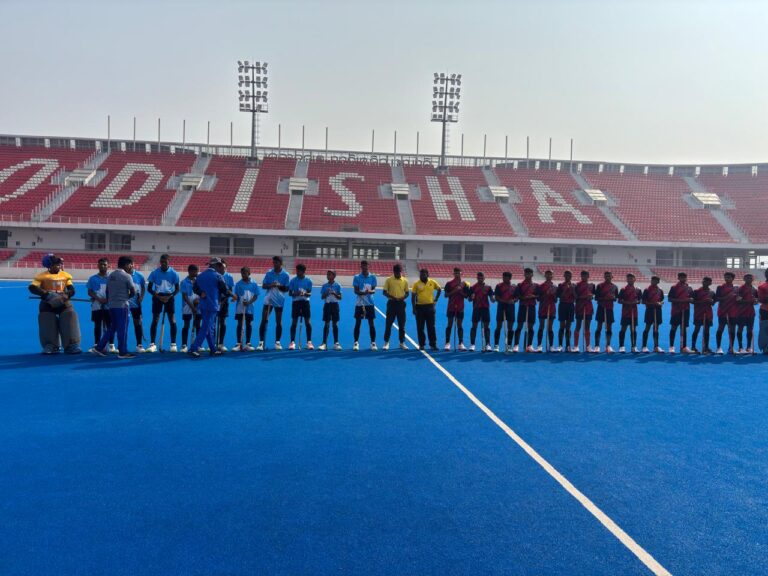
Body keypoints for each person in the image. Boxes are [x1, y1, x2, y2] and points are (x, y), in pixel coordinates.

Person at [28, 254, 82, 354]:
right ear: (50, 266)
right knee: (46, 319)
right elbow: (32, 287)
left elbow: (72, 290)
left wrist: (66, 295)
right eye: (56, 265)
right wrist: (46, 294)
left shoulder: (65, 276)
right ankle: (51, 345)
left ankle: (71, 344)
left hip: (63, 301)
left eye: (59, 264)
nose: (58, 266)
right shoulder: (42, 276)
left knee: (69, 316)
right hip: (48, 302)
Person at [90, 256, 137, 359]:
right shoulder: (127, 276)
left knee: (112, 328)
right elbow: (133, 291)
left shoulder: (111, 275)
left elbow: (107, 291)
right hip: (122, 306)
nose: (131, 267)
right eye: (130, 265)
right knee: (122, 329)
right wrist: (126, 297)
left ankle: (99, 347)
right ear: (126, 265)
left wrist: (110, 300)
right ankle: (122, 352)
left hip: (111, 306)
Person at [189, 258, 233, 358]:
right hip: (213, 304)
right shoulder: (218, 276)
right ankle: (194, 348)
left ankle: (213, 349)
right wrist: (232, 295)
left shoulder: (200, 276)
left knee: (210, 327)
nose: (220, 267)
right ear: (216, 265)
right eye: (219, 266)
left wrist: (201, 293)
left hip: (203, 304)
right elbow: (225, 290)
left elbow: (195, 288)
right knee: (206, 327)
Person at [147, 254, 180, 352]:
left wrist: (169, 297)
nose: (163, 264)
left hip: (169, 297)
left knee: (172, 320)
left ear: (169, 262)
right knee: (155, 320)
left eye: (165, 262)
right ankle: (152, 344)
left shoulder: (174, 273)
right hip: (157, 297)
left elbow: (177, 289)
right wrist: (159, 297)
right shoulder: (154, 273)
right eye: (162, 262)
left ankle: (173, 344)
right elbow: (149, 288)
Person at [257, 256, 290, 351]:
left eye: (276, 262)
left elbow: (286, 289)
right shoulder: (269, 273)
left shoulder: (285, 275)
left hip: (279, 299)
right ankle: (261, 342)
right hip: (269, 299)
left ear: (281, 263)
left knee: (278, 321)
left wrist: (279, 285)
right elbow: (264, 286)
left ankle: (277, 342)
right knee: (264, 320)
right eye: (274, 262)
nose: (274, 264)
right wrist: (271, 285)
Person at [87, 257, 115, 353]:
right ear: (98, 265)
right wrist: (99, 299)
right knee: (97, 325)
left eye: (105, 265)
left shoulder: (112, 278)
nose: (102, 266)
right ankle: (96, 344)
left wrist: (107, 300)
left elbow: (115, 290)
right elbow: (90, 292)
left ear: (108, 266)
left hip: (109, 305)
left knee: (110, 325)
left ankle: (111, 345)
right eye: (101, 264)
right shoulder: (92, 279)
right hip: (97, 305)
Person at [411, 268, 441, 351]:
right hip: (419, 307)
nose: (422, 276)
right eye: (420, 274)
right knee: (420, 327)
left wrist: (436, 299)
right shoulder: (416, 284)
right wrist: (414, 308)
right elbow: (413, 296)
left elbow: (439, 290)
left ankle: (433, 344)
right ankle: (421, 345)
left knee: (431, 327)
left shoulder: (432, 282)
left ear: (427, 275)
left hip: (430, 307)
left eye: (423, 274)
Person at [382, 264, 409, 350]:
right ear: (393, 272)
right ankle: (386, 343)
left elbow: (407, 293)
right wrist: (392, 297)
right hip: (391, 303)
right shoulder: (389, 280)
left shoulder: (405, 281)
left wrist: (403, 297)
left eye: (399, 272)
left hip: (401, 303)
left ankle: (402, 343)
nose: (398, 274)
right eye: (396, 272)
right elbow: (384, 292)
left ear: (401, 271)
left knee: (402, 325)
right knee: (388, 324)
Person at [352, 260, 377, 351]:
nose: (364, 267)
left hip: (370, 303)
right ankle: (356, 342)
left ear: (368, 266)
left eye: (365, 265)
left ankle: (373, 343)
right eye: (362, 266)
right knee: (358, 323)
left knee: (371, 323)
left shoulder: (373, 277)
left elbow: (374, 290)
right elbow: (355, 291)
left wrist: (370, 291)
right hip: (359, 303)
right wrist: (363, 293)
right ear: (361, 267)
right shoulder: (356, 277)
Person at [234, 266, 260, 351]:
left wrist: (249, 302)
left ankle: (248, 343)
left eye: (244, 273)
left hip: (250, 308)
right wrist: (234, 298)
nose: (243, 275)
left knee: (249, 324)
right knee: (240, 324)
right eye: (242, 273)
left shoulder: (254, 283)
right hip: (240, 308)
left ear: (249, 273)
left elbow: (256, 296)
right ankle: (238, 343)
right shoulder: (238, 284)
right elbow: (236, 295)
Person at [288, 263, 313, 350]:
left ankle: (309, 342)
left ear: (303, 271)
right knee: (294, 322)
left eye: (299, 271)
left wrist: (305, 293)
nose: (297, 272)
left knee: (307, 322)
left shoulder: (309, 281)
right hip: (296, 303)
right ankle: (292, 342)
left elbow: (309, 293)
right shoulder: (293, 281)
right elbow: (290, 293)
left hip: (305, 302)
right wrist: (296, 293)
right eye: (297, 270)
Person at [668, 272, 694, 354]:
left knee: (683, 328)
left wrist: (691, 300)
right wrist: (684, 300)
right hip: (676, 310)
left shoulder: (689, 288)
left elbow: (692, 299)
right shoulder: (674, 287)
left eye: (684, 277)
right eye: (681, 277)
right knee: (674, 327)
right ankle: (671, 347)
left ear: (686, 278)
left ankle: (684, 347)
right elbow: (670, 299)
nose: (683, 278)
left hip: (686, 310)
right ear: (678, 278)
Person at [444, 267, 469, 351]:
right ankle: (447, 343)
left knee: (459, 325)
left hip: (460, 307)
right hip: (451, 306)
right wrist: (455, 291)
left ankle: (461, 344)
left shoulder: (464, 284)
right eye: (455, 273)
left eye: (458, 273)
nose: (457, 274)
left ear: (461, 274)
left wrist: (460, 291)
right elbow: (446, 295)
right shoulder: (449, 283)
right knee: (449, 324)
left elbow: (466, 296)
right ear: (453, 274)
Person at [513, 268, 537, 353]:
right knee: (519, 326)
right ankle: (516, 345)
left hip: (531, 307)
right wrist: (525, 297)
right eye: (526, 273)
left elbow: (538, 296)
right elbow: (517, 296)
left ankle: (529, 345)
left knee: (531, 327)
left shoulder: (536, 285)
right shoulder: (520, 285)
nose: (528, 275)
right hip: (522, 307)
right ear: (524, 274)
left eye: (529, 273)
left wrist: (533, 296)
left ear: (532, 275)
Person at [469, 271, 494, 352]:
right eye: (479, 278)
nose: (480, 279)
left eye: (482, 278)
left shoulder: (488, 287)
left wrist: (494, 299)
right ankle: (472, 344)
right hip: (476, 308)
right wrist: (471, 297)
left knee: (486, 327)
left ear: (484, 278)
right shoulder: (473, 287)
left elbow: (492, 299)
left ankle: (488, 344)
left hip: (485, 309)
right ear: (477, 278)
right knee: (474, 326)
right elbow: (469, 299)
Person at [594, 271, 618, 353]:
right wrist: (605, 298)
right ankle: (597, 346)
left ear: (612, 277)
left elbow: (615, 298)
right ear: (604, 277)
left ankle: (608, 345)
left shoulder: (614, 287)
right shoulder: (599, 286)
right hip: (601, 307)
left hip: (609, 309)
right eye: (606, 276)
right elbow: (596, 298)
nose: (607, 277)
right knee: (599, 327)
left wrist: (612, 298)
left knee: (609, 327)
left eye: (609, 276)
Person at [714, 272, 738, 355]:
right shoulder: (720, 287)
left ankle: (731, 348)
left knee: (732, 329)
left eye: (729, 277)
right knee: (720, 328)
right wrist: (727, 297)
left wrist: (739, 299)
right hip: (723, 311)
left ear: (732, 278)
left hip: (733, 311)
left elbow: (738, 299)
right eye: (726, 277)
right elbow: (717, 299)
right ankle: (718, 347)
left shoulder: (736, 288)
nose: (727, 279)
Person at [617, 273, 642, 353]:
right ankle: (621, 346)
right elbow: (619, 300)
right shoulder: (623, 289)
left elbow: (640, 300)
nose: (630, 280)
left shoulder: (638, 289)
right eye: (628, 278)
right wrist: (628, 302)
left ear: (635, 279)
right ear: (626, 280)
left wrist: (636, 302)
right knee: (623, 328)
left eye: (631, 278)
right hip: (625, 312)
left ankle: (633, 346)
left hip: (634, 312)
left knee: (633, 329)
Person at [319, 270, 342, 351]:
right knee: (326, 324)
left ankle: (336, 343)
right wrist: (327, 293)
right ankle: (324, 343)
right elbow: (322, 297)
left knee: (335, 324)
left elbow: (340, 297)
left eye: (329, 274)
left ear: (334, 276)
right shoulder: (324, 286)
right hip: (327, 305)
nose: (328, 276)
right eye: (327, 274)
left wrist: (334, 293)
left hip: (335, 305)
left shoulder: (338, 285)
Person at [180, 264, 201, 353]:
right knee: (186, 325)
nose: (197, 273)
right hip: (187, 306)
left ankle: (198, 344)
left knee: (198, 325)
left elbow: (201, 293)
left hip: (198, 306)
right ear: (190, 271)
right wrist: (192, 307)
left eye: (197, 271)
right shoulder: (184, 282)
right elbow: (185, 296)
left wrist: (198, 301)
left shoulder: (199, 281)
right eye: (195, 271)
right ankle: (184, 345)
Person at [216, 259, 236, 351]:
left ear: (225, 267)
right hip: (214, 301)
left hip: (224, 301)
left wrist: (224, 300)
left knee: (222, 321)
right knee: (213, 323)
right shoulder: (215, 275)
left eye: (223, 267)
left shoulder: (229, 277)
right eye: (220, 267)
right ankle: (213, 343)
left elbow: (230, 290)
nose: (222, 269)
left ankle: (221, 343)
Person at [691, 276, 715, 355]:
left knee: (707, 330)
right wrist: (703, 301)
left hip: (708, 313)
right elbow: (692, 302)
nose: (705, 283)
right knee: (696, 329)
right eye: (704, 281)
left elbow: (713, 303)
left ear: (710, 283)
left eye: (708, 281)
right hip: (698, 313)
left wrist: (711, 301)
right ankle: (693, 347)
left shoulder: (712, 292)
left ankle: (706, 347)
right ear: (702, 282)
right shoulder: (696, 291)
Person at [493, 271, 516, 353]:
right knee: (498, 326)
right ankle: (496, 345)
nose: (504, 278)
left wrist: (513, 300)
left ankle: (509, 345)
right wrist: (506, 301)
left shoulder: (514, 287)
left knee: (510, 327)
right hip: (501, 308)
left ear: (510, 278)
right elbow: (496, 298)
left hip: (511, 308)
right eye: (503, 277)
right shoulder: (499, 286)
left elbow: (517, 297)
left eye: (506, 277)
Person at [735, 273, 758, 354]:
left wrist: (755, 301)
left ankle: (748, 347)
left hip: (751, 312)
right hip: (741, 312)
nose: (749, 279)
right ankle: (740, 347)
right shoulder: (740, 289)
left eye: (750, 278)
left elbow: (756, 300)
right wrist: (750, 301)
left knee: (750, 329)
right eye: (747, 278)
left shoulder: (754, 289)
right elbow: (738, 301)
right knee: (740, 328)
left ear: (753, 279)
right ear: (744, 279)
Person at [641, 276, 664, 353]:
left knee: (656, 328)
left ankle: (656, 346)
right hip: (649, 311)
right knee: (647, 328)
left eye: (655, 280)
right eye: (652, 280)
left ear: (658, 281)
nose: (653, 281)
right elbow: (643, 301)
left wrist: (660, 303)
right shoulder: (647, 290)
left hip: (658, 311)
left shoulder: (660, 290)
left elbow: (662, 300)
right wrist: (653, 303)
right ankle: (644, 346)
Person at [536, 270, 557, 352]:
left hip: (551, 308)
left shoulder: (555, 287)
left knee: (550, 327)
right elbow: (538, 298)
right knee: (541, 326)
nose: (548, 276)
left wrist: (552, 295)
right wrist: (545, 294)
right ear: (545, 275)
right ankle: (539, 345)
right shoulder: (540, 286)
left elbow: (555, 300)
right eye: (547, 274)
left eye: (550, 274)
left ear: (552, 276)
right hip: (542, 308)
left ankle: (551, 346)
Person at [574, 270, 595, 352]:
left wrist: (591, 296)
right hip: (579, 307)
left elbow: (593, 295)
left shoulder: (592, 285)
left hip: (588, 307)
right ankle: (576, 346)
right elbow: (575, 297)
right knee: (578, 325)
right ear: (581, 276)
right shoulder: (577, 285)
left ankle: (588, 346)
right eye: (583, 276)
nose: (584, 277)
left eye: (586, 275)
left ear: (588, 276)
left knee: (587, 327)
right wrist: (584, 297)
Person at [556, 270, 576, 352]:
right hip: (562, 305)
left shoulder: (574, 285)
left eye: (569, 275)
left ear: (571, 276)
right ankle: (560, 345)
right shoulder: (560, 285)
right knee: (562, 326)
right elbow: (559, 296)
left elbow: (576, 297)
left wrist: (572, 290)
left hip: (570, 305)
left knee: (568, 326)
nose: (568, 277)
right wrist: (565, 290)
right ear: (564, 276)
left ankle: (568, 345)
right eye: (566, 275)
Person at [128, 264, 147, 353]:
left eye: (131, 264)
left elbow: (143, 287)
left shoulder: (139, 275)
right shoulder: (123, 275)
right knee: (123, 324)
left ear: (133, 264)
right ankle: (121, 345)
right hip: (124, 303)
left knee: (137, 323)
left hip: (135, 303)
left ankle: (139, 345)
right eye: (128, 264)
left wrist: (141, 297)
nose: (130, 266)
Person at [759, 269, 768, 354]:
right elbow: (761, 299)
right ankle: (765, 347)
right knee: (765, 329)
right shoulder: (762, 286)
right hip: (765, 310)